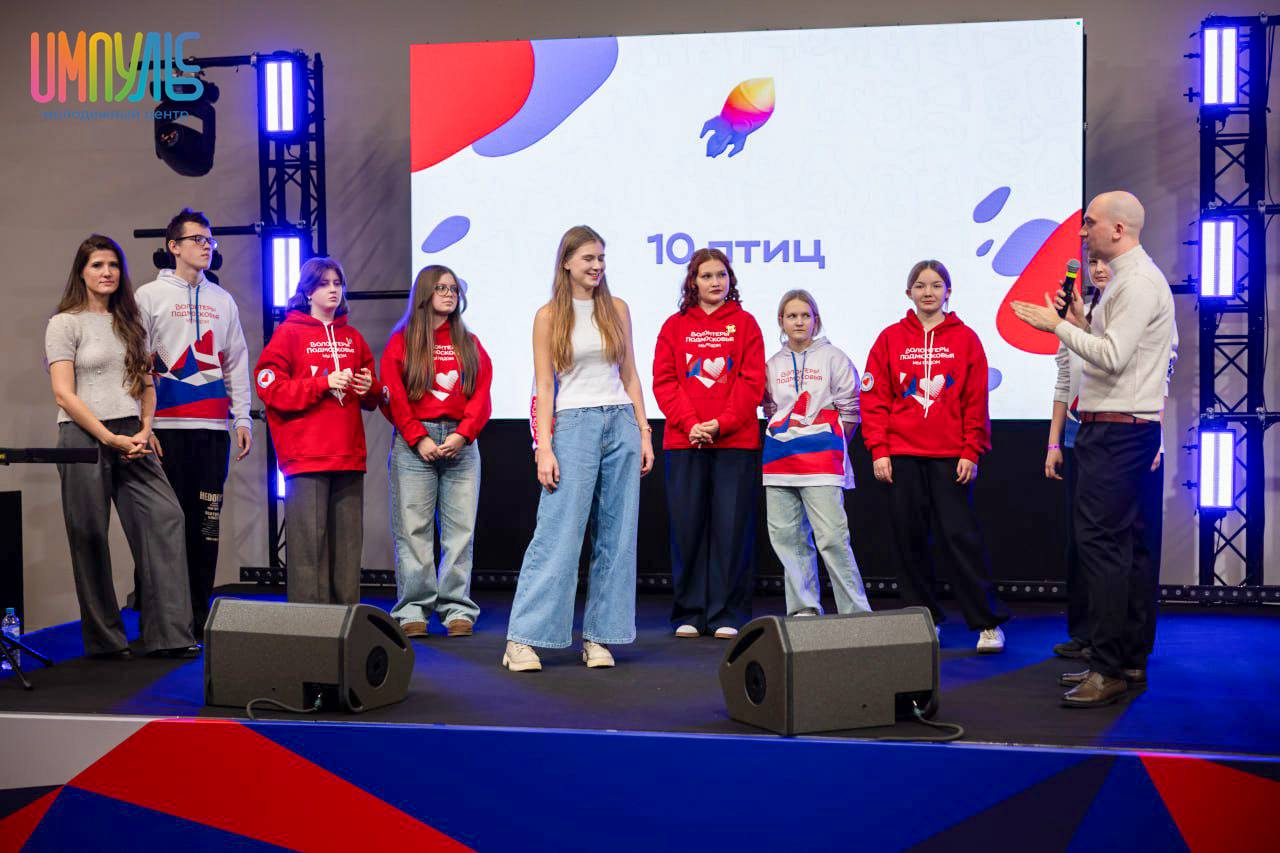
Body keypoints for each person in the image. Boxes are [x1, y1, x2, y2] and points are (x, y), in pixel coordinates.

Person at [1012, 190, 1175, 707]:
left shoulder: (1137, 282)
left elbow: (1114, 358)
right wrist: (1082, 323)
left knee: (1104, 550)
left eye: (1090, 223)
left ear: (1118, 230)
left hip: (1118, 433)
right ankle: (1125, 659)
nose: (1083, 233)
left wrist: (1057, 326)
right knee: (1126, 549)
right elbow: (1117, 353)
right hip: (1124, 430)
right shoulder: (1128, 280)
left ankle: (1107, 668)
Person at [503, 226, 654, 671]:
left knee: (618, 537)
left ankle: (599, 637)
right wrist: (544, 447)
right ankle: (522, 639)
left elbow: (630, 375)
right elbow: (545, 385)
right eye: (588, 258)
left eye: (601, 258)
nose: (597, 266)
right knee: (559, 534)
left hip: (620, 421)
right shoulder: (549, 315)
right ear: (567, 262)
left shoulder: (617, 309)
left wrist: (644, 431)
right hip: (573, 424)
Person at [45, 235, 199, 659]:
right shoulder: (64, 323)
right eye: (97, 265)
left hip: (132, 433)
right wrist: (107, 437)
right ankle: (106, 642)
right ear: (82, 272)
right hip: (82, 435)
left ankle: (170, 635)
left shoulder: (131, 322)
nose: (107, 272)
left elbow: (147, 385)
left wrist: (145, 428)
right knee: (89, 535)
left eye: (113, 265)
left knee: (166, 518)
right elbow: (63, 394)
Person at [862, 260, 1009, 652]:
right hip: (902, 455)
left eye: (936, 285)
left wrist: (971, 449)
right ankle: (923, 620)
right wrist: (879, 449)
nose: (928, 292)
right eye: (921, 285)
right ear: (908, 292)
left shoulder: (966, 339)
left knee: (960, 538)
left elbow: (976, 400)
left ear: (948, 292)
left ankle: (988, 623)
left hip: (950, 455)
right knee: (909, 541)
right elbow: (874, 399)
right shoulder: (890, 338)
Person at [1045, 258, 1178, 662]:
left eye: (1106, 262)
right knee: (1086, 540)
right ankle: (1088, 634)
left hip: (1132, 434)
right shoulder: (1083, 315)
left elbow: (1159, 378)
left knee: (1130, 543)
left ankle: (1128, 647)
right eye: (1093, 263)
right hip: (1084, 432)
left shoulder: (1142, 302)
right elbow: (1065, 381)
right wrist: (1053, 443)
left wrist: (1157, 439)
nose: (1099, 269)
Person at [135, 209, 253, 633]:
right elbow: (136, 363)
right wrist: (143, 426)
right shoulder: (148, 296)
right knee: (163, 524)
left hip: (212, 431)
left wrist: (243, 418)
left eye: (210, 240)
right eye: (197, 239)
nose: (206, 246)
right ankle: (159, 618)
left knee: (206, 526)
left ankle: (199, 615)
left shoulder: (223, 300)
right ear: (174, 246)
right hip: (164, 430)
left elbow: (236, 361)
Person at [652, 248, 766, 639]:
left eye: (721, 275)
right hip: (685, 442)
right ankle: (690, 611)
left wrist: (721, 424)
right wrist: (692, 423)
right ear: (693, 282)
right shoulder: (674, 326)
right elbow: (665, 381)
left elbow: (751, 382)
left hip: (735, 443)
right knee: (687, 528)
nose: (715, 282)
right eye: (707, 276)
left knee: (731, 530)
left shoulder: (746, 324)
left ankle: (727, 613)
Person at [254, 257, 380, 605]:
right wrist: (322, 383)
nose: (333, 290)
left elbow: (372, 395)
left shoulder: (352, 337)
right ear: (308, 291)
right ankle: (310, 628)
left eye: (337, 283)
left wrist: (369, 386)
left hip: (348, 455)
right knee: (308, 551)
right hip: (306, 457)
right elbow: (270, 388)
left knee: (348, 551)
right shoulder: (288, 334)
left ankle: (346, 624)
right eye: (324, 284)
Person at [381, 265, 492, 638]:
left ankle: (457, 607)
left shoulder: (469, 342)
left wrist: (463, 434)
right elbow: (393, 395)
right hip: (417, 443)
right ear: (425, 293)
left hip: (461, 442)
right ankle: (413, 608)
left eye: (454, 289)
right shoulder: (402, 342)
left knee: (460, 531)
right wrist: (418, 437)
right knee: (413, 529)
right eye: (441, 288)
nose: (449, 294)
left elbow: (482, 394)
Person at [762, 289, 871, 617]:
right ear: (781, 321)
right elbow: (771, 410)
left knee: (832, 539)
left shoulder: (834, 357)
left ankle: (855, 612)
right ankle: (804, 608)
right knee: (788, 539)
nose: (799, 322)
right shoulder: (772, 364)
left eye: (805, 316)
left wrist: (828, 443)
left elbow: (851, 410)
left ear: (816, 320)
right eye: (792, 316)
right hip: (779, 462)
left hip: (822, 462)